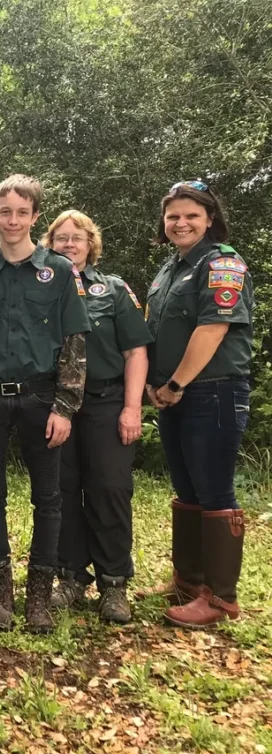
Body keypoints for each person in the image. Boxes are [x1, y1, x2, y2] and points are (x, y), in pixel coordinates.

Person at [0, 174, 90, 634]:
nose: (12, 220)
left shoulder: (59, 272)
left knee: (48, 498)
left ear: (34, 217)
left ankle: (40, 599)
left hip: (41, 399)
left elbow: (74, 343)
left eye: (22, 212)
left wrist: (66, 407)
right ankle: (1, 595)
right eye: (5, 211)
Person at [143, 181, 253, 628]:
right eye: (173, 216)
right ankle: (188, 580)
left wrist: (173, 383)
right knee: (187, 489)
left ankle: (221, 597)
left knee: (215, 490)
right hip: (175, 393)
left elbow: (213, 329)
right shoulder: (171, 268)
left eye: (190, 215)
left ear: (209, 218)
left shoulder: (223, 263)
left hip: (213, 389)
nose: (181, 223)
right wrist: (160, 385)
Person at [41, 210, 151, 623]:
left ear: (91, 245)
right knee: (62, 490)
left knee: (110, 488)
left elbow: (136, 352)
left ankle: (113, 582)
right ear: (49, 243)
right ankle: (71, 576)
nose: (69, 244)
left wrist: (132, 407)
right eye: (61, 238)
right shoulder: (42, 289)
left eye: (78, 238)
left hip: (107, 402)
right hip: (57, 405)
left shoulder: (115, 290)